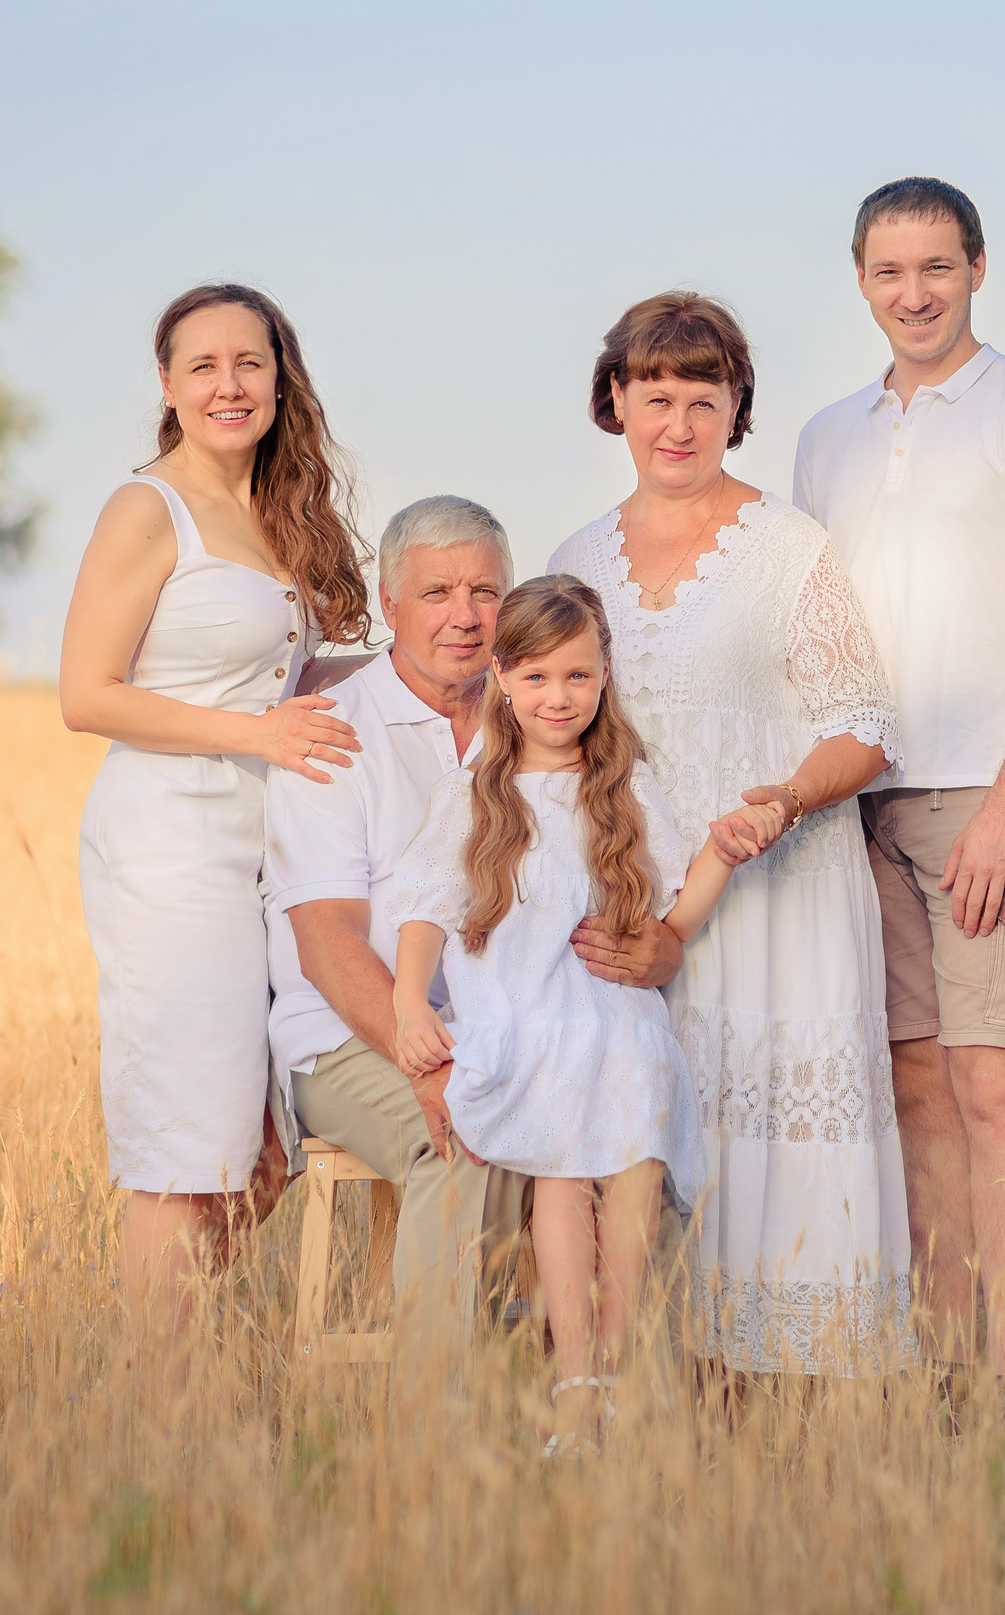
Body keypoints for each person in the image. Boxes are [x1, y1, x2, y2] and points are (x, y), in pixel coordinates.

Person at [548, 291, 914, 1377]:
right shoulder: (578, 554)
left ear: (735, 406)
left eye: (701, 398)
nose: (676, 421)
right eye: (653, 394)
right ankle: (654, 1389)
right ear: (614, 400)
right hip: (634, 908)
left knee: (775, 1141)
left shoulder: (787, 546)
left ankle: (797, 1401)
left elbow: (868, 722)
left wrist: (786, 799)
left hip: (777, 895)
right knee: (647, 1134)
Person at [791, 177, 1005, 1412]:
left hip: (986, 794)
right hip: (854, 802)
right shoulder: (828, 437)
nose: (912, 292)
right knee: (913, 1083)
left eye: (935, 266)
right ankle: (945, 1371)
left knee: (993, 1080)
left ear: (977, 267)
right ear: (859, 281)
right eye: (887, 272)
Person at [264, 500, 688, 1338]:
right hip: (356, 1033)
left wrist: (657, 953)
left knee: (642, 1133)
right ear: (389, 606)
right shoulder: (337, 731)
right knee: (461, 1143)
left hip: (526, 1023)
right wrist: (422, 1060)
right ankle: (442, 1445)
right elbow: (326, 941)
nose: (464, 615)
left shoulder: (545, 723)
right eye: (436, 593)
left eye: (485, 591)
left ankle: (634, 1424)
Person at [386, 575, 776, 1453]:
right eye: (535, 678)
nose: (556, 698)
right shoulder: (479, 792)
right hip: (522, 1022)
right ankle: (578, 1385)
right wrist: (411, 998)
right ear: (502, 679)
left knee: (633, 1143)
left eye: (576, 676)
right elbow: (427, 905)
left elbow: (679, 900)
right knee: (560, 1174)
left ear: (604, 677)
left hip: (614, 1016)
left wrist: (725, 848)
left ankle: (618, 1364)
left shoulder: (623, 785)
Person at [61, 282, 371, 1320]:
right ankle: (158, 1414)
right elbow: (85, 693)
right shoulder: (146, 507)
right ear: (167, 384)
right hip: (169, 845)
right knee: (188, 1150)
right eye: (203, 364)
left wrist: (445, 666)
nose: (229, 383)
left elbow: (291, 680)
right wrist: (256, 733)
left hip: (265, 850)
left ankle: (167, 1377)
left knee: (262, 1152)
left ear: (280, 378)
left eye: (250, 362)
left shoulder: (277, 511)